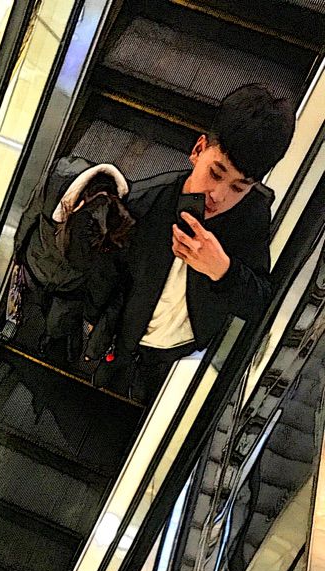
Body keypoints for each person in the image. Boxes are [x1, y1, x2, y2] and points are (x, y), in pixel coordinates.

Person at [92, 84, 296, 404]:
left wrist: (223, 271)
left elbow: (259, 303)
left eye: (239, 187)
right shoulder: (144, 203)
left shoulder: (252, 213)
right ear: (198, 150)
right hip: (125, 340)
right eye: (216, 173)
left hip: (184, 352)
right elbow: (107, 277)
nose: (219, 196)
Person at [13, 158, 133, 362]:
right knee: (41, 304)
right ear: (76, 207)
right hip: (37, 266)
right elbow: (31, 214)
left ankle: (62, 343)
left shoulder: (119, 221)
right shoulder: (58, 179)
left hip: (71, 289)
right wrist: (18, 252)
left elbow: (106, 275)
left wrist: (93, 314)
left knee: (58, 324)